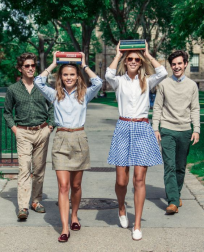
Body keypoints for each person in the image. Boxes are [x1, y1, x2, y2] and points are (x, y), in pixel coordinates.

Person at [34, 52, 102, 243]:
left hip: (80, 138)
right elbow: (39, 82)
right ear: (60, 77)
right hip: (61, 139)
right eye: (65, 75)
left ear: (77, 76)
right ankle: (65, 228)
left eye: (72, 74)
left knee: (76, 185)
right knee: (63, 186)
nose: (69, 78)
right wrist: (54, 64)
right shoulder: (55, 94)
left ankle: (74, 216)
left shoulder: (85, 95)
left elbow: (98, 83)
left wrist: (84, 65)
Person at [105, 41, 167, 241]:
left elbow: (163, 73)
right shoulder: (119, 81)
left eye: (136, 59)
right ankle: (121, 207)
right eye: (129, 59)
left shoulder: (147, 81)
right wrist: (117, 54)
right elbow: (107, 75)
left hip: (142, 128)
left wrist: (147, 53)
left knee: (139, 179)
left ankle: (137, 224)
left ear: (140, 63)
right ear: (125, 61)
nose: (133, 61)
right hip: (123, 127)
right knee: (121, 181)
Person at [3, 53, 54, 220]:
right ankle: (23, 206)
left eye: (33, 65)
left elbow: (53, 105)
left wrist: (50, 126)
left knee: (39, 169)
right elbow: (7, 112)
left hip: (42, 131)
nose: (31, 68)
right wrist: (15, 129)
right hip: (23, 132)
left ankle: (36, 201)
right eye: (27, 66)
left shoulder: (42, 86)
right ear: (20, 68)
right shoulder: (13, 89)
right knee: (24, 169)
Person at [152, 50, 200, 214]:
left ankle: (176, 194)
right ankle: (173, 201)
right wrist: (155, 128)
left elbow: (195, 108)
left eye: (180, 63)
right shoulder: (164, 84)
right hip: (167, 130)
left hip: (185, 130)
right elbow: (157, 107)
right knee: (170, 166)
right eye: (174, 64)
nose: (177, 67)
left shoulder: (192, 85)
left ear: (185, 64)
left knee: (180, 167)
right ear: (171, 66)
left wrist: (197, 130)